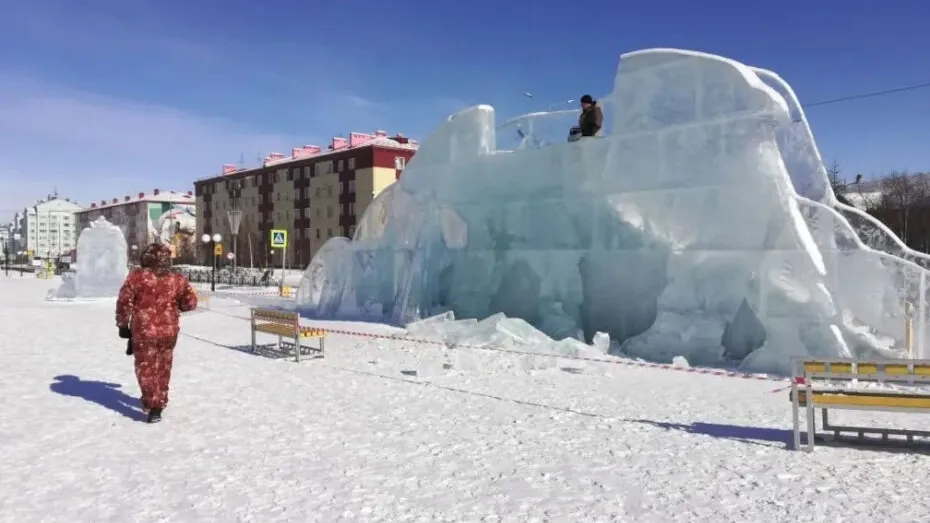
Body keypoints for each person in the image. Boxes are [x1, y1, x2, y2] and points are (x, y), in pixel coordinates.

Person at [116, 242, 198, 423]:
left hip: (144, 331)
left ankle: (153, 405)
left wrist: (123, 325)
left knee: (146, 367)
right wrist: (173, 306)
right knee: (163, 365)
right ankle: (161, 399)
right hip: (169, 330)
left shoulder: (136, 277)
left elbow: (124, 302)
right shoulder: (177, 279)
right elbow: (190, 303)